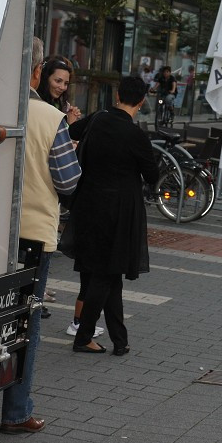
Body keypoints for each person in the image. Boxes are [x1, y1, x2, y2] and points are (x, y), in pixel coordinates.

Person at [0, 37, 81, 433]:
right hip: (33, 232)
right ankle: (17, 411)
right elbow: (68, 181)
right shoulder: (52, 119)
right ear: (37, 71)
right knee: (24, 324)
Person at [67, 76, 159, 354]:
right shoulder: (136, 136)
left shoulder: (98, 119)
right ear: (142, 102)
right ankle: (83, 337)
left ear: (118, 94)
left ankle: (120, 340)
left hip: (87, 205)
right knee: (105, 274)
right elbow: (152, 175)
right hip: (119, 213)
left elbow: (73, 131)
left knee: (108, 273)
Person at [37, 56, 82, 125]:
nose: (62, 87)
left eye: (66, 83)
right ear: (46, 78)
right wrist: (69, 124)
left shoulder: (63, 105)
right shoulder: (37, 103)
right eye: (58, 81)